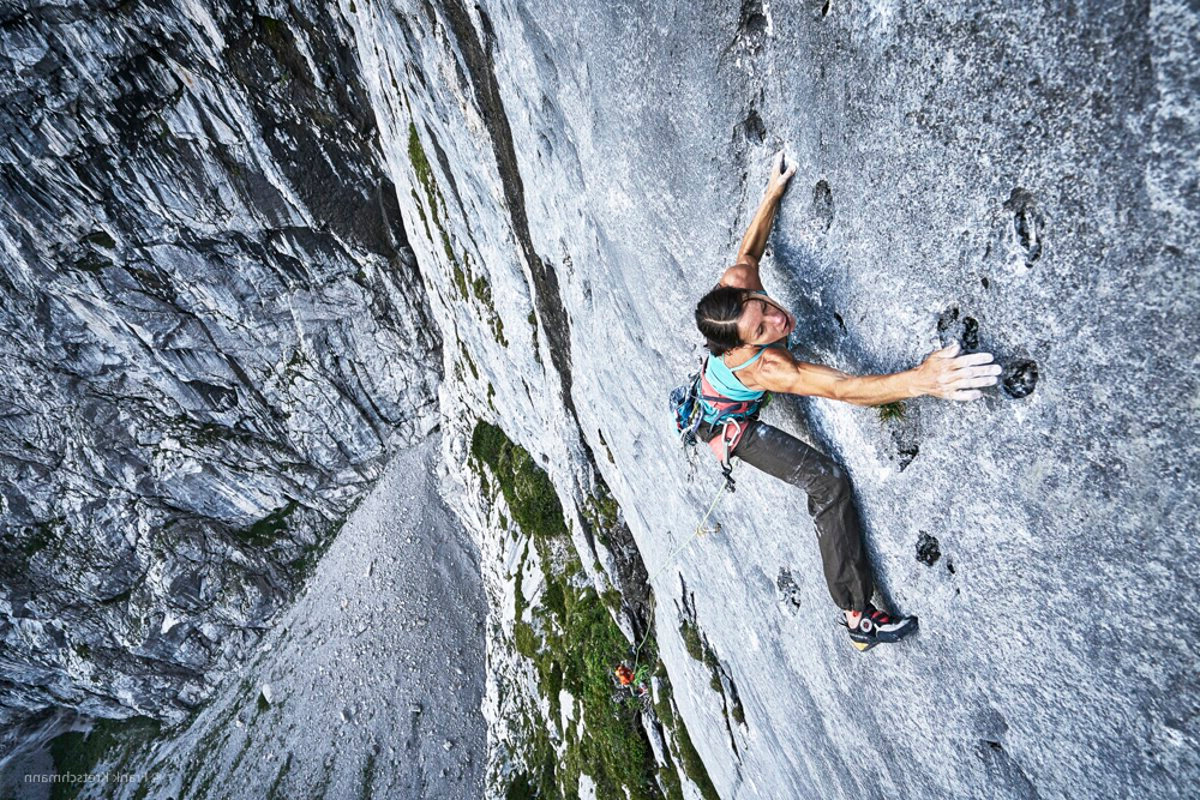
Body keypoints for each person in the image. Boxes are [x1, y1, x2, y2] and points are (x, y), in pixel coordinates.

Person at [693, 151, 1002, 652]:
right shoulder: (770, 367)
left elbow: (750, 253)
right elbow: (841, 387)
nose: (777, 319)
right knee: (829, 483)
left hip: (720, 386)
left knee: (748, 285)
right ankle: (858, 615)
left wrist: (771, 194)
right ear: (741, 348)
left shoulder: (737, 287)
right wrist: (922, 380)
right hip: (728, 424)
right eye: (761, 329)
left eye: (765, 307)